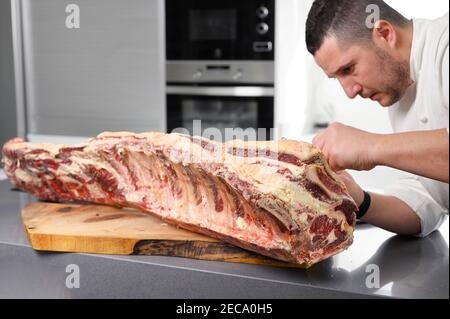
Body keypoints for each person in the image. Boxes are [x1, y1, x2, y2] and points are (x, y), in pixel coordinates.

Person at [305, 0, 449, 236]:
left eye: (348, 69)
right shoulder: (401, 89)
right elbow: (429, 200)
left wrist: (371, 147)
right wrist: (359, 200)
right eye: (336, 78)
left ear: (385, 33)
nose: (349, 92)